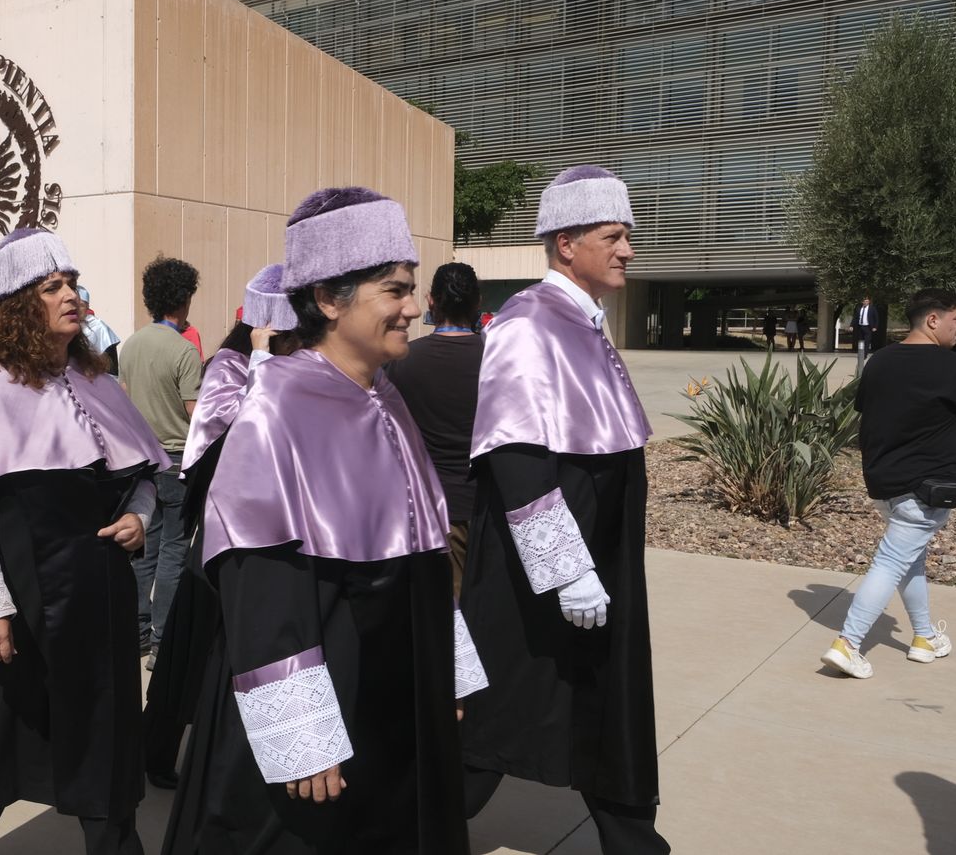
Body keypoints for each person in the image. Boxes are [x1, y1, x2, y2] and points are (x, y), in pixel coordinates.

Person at [163, 188, 486, 854]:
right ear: (329, 300)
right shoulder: (276, 407)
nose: (413, 307)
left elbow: (424, 548)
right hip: (327, 697)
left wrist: (444, 669)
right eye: (394, 290)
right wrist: (302, 735)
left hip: (396, 695)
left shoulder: (386, 396)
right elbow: (262, 586)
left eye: (413, 289)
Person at [0, 228, 166, 855]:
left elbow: (141, 477)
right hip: (13, 596)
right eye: (52, 287)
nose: (70, 295)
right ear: (19, 304)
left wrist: (139, 515)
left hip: (96, 599)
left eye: (71, 283)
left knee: (104, 746)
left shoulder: (99, 383)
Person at [461, 165, 668, 854]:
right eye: (613, 236)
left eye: (627, 235)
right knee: (499, 708)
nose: (628, 250)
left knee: (607, 699)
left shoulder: (584, 320)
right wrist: (567, 569)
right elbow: (516, 455)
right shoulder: (527, 323)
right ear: (566, 244)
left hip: (598, 557)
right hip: (542, 571)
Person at [141, 263, 300, 787]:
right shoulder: (230, 365)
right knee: (195, 649)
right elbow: (227, 436)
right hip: (223, 532)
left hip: (276, 533)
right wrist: (261, 361)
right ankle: (157, 750)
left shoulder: (295, 366)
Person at [821, 289, 956, 680]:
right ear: (933, 320)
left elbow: (869, 412)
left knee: (909, 559)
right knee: (890, 561)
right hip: (928, 486)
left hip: (883, 481)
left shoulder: (879, 361)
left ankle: (924, 636)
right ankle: (847, 644)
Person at [119, 255, 202, 659]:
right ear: (183, 299)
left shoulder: (130, 345)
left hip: (142, 462)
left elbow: (124, 401)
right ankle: (162, 639)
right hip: (177, 460)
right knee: (174, 549)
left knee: (145, 549)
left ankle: (136, 630)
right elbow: (196, 413)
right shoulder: (184, 351)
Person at [385, 262, 486, 595]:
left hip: (432, 507)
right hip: (491, 504)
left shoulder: (402, 360)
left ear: (430, 300)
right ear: (478, 302)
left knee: (447, 610)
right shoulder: (499, 359)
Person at [78, 284, 124, 372]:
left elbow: (111, 366)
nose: (77, 309)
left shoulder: (99, 327)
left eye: (81, 305)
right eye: (75, 305)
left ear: (87, 307)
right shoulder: (69, 326)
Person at [852, 296, 879, 368]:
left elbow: (876, 318)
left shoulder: (872, 309)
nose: (865, 302)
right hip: (860, 327)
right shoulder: (859, 308)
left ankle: (865, 355)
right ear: (862, 302)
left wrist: (875, 327)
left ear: (869, 302)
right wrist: (851, 325)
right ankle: (860, 353)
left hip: (868, 327)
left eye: (867, 301)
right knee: (860, 341)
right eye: (864, 301)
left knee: (867, 341)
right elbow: (855, 317)